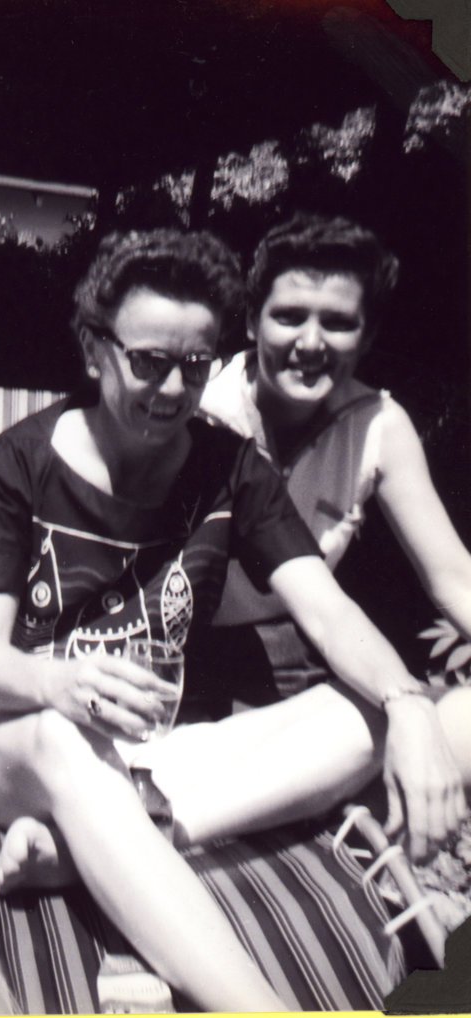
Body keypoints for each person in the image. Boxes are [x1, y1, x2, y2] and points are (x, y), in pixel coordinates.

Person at [0, 227, 467, 1012]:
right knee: (58, 738)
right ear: (94, 350)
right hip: (9, 740)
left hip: (157, 759)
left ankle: (88, 848)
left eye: (195, 365)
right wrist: (58, 681)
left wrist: (409, 703)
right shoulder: (26, 458)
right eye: (149, 362)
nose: (174, 390)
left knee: (424, 715)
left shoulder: (229, 467)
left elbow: (325, 607)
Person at [198, 213, 471, 786]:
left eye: (339, 323)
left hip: (298, 658)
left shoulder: (379, 426)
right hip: (185, 657)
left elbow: (453, 576)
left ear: (367, 336)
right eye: (290, 316)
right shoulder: (199, 411)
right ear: (251, 322)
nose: (311, 343)